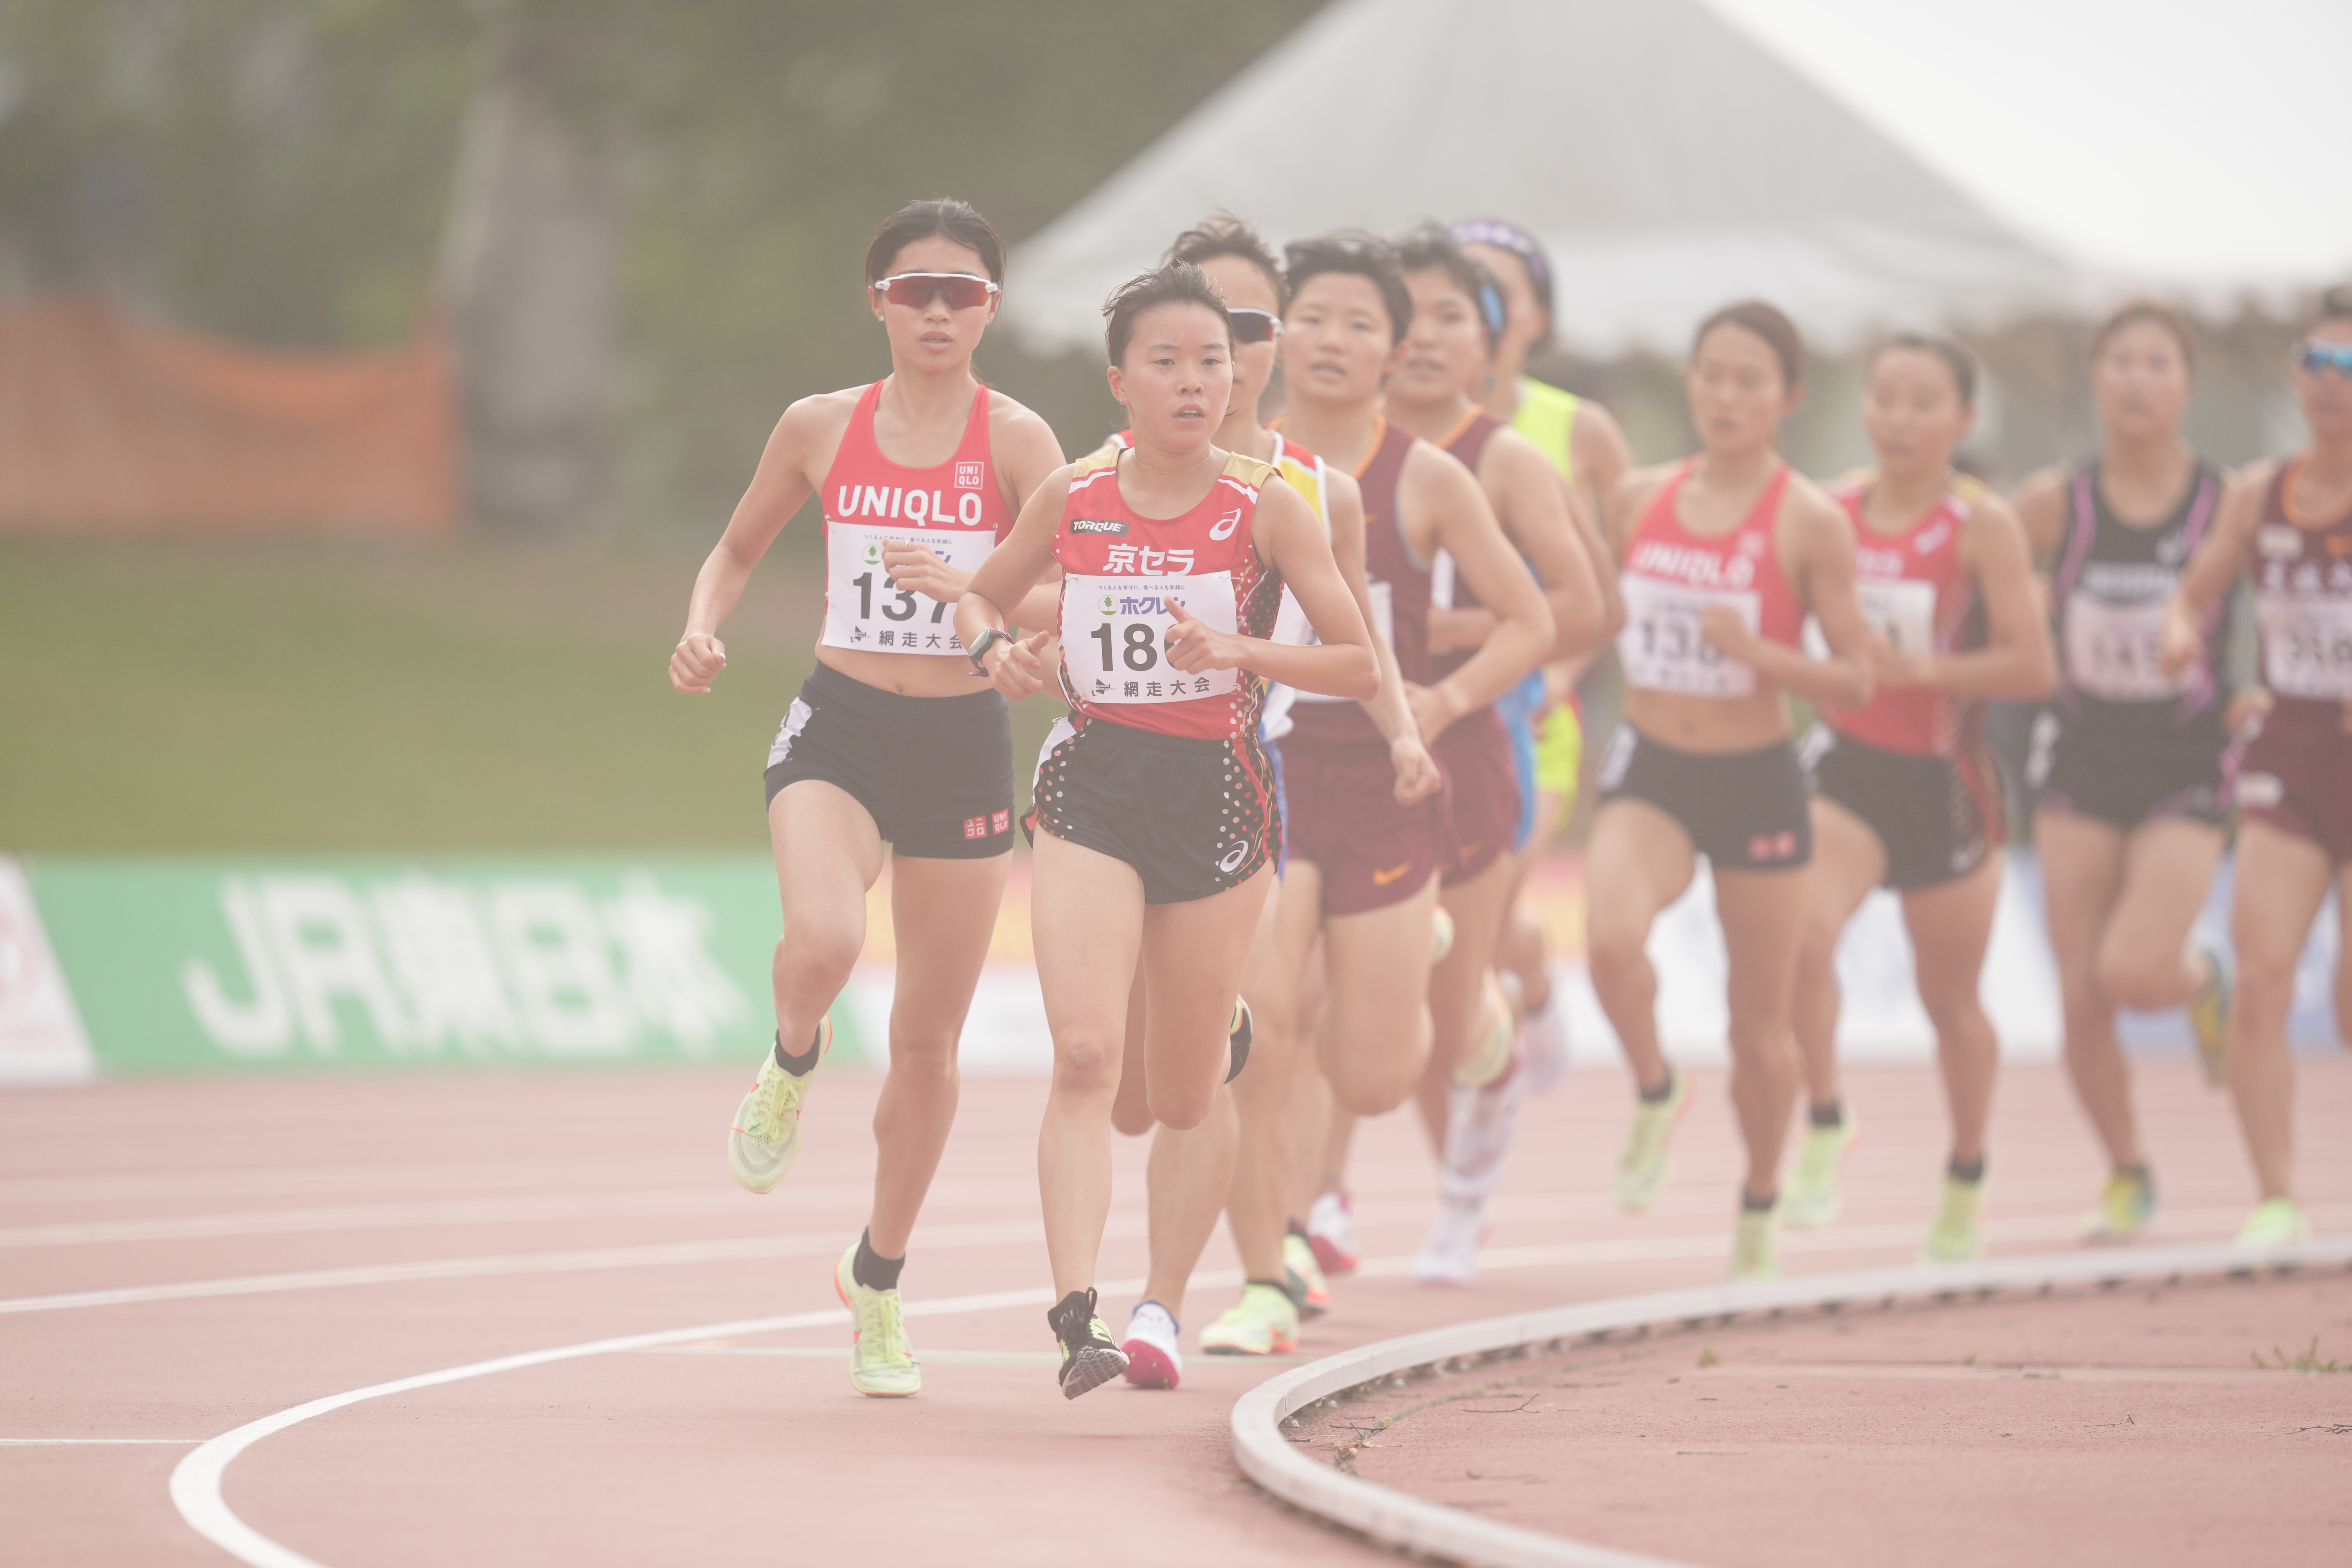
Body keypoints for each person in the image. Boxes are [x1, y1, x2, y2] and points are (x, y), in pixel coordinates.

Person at [955, 260, 1380, 1399]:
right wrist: (1000, 656)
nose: (1199, 383)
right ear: (1120, 382)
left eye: (1215, 361)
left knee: (1182, 1096)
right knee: (1089, 1057)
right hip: (1094, 784)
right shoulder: (1076, 500)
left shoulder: (1268, 506)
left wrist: (1245, 651)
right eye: (1169, 363)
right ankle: (1078, 1315)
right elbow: (978, 599)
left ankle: (1168, 1289)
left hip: (1221, 795)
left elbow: (1355, 658)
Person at [671, 199, 1065, 1398]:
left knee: (930, 1046)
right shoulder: (819, 427)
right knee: (827, 941)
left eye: (962, 292)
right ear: (877, 303)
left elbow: (1072, 592)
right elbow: (736, 550)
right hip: (841, 723)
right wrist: (700, 627)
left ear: (992, 308)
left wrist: (991, 613)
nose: (937, 311)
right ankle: (793, 1059)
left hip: (960, 740)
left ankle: (879, 1280)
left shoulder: (1020, 442)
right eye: (913, 290)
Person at [1084, 217, 1413, 1383]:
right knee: (1130, 1095)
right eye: (1190, 335)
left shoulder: (1311, 489)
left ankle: (1244, 1281)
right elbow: (1065, 620)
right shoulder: (1102, 479)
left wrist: (1407, 742)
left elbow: (1354, 640)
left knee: (1254, 1045)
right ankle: (1203, 1070)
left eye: (1242, 331)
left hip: (1264, 783)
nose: (1215, 356)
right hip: (1119, 792)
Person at [1268, 230, 1552, 1293]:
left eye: (1360, 326)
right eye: (1314, 318)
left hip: (1418, 771)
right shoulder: (1240, 463)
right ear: (1278, 333)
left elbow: (1534, 620)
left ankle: (1468, 1001)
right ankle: (1284, 1245)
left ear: (1391, 354)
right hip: (1283, 771)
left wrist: (1438, 699)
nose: (1333, 342)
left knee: (1392, 1064)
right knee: (1278, 1007)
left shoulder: (1429, 480)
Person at [1587, 299, 1874, 1281]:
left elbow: (1858, 676)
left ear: (1787, 397)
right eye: (1710, 374)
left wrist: (1760, 653)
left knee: (1761, 1026)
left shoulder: (1809, 519)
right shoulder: (1637, 498)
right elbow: (1599, 612)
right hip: (1655, 764)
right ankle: (1656, 1088)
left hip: (1756, 780)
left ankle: (1758, 1199)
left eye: (1748, 380)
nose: (1724, 395)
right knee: (1610, 941)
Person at [1784, 335, 2055, 1263]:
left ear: (1963, 420)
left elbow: (2033, 663)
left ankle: (1967, 1172)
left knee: (1953, 1004)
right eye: (1885, 397)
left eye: (1922, 402)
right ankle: (1825, 1116)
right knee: (1800, 938)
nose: (1899, 418)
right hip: (1852, 764)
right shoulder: (1827, 510)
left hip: (1947, 782)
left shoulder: (1982, 527)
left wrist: (1924, 668)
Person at [1380, 224, 1609, 1282]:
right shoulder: (1325, 441)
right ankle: (1305, 1222)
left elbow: (1584, 602)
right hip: (1358, 748)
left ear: (1497, 337)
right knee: (1381, 994)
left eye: (1452, 315)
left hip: (1495, 735)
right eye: (1407, 313)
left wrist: (1472, 642)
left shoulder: (1522, 449)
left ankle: (1461, 1204)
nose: (1422, 336)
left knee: (1451, 976)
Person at [2014, 301, 2249, 1243]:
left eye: (2158, 364)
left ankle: (2199, 979)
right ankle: (2126, 1173)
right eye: (2120, 363)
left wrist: (2268, 693)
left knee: (2135, 969)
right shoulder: (2053, 503)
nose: (2138, 380)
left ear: (2187, 384)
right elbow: (1972, 564)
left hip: (2186, 756)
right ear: (2098, 381)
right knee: (2080, 995)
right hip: (2080, 754)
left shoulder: (2224, 501)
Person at [2161, 282, 2352, 1250]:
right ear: (2295, 377)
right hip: (2288, 753)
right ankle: (2276, 1198)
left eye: (2350, 369)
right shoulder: (2256, 492)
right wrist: (2177, 638)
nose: (2333, 385)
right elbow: (2193, 597)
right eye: (2319, 365)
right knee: (2265, 972)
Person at [1447, 217, 1632, 1100]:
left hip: (1536, 710)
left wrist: (1551, 678)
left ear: (1536, 317)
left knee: (1484, 901)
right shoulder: (1400, 427)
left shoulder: (1579, 431)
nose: (1476, 311)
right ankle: (1530, 982)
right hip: (1430, 706)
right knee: (1475, 919)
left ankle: (1503, 1035)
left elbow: (1614, 584)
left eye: (1497, 293)